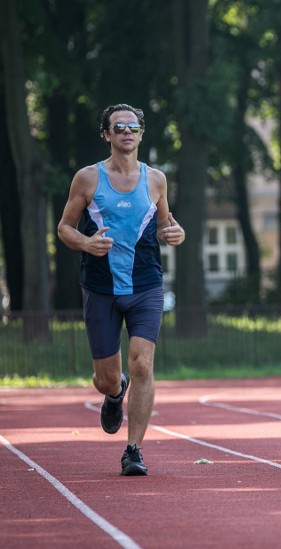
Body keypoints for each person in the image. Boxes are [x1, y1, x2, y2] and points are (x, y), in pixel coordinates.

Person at [57, 103, 186, 476]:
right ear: (107, 134)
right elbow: (64, 228)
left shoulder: (156, 180)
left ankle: (134, 450)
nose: (126, 132)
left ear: (142, 133)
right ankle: (116, 392)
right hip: (101, 288)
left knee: (143, 363)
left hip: (146, 284)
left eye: (133, 127)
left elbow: (166, 226)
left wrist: (175, 234)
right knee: (105, 378)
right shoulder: (87, 178)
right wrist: (85, 243)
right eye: (119, 127)